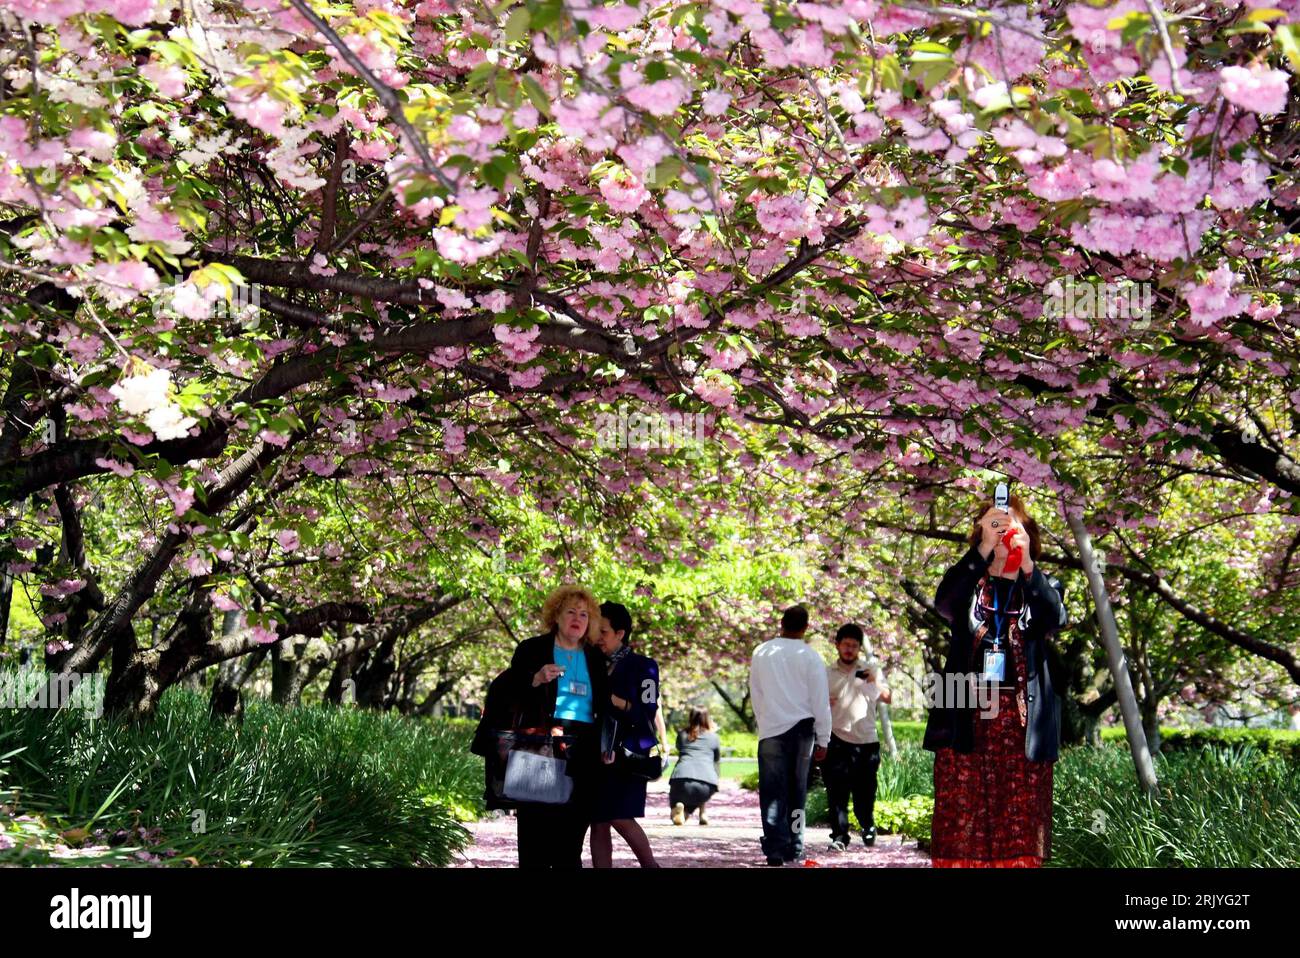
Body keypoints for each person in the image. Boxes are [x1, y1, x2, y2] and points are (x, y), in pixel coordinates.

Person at [925, 492, 1066, 868]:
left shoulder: (1042, 585)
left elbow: (1053, 619)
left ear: (1028, 535)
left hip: (1020, 728)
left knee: (1019, 825)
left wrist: (1029, 569)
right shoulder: (967, 584)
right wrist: (982, 549)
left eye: (1011, 526)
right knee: (963, 821)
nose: (1003, 534)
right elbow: (944, 603)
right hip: (966, 720)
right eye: (994, 527)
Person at [505, 584, 609, 869]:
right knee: (534, 835)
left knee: (571, 836)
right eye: (571, 612)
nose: (577, 618)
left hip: (584, 746)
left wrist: (608, 744)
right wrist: (535, 679)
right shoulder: (532, 649)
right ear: (556, 616)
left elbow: (605, 707)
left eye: (584, 615)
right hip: (540, 743)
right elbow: (507, 692)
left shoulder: (595, 658)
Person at [748, 605, 831, 866]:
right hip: (802, 731)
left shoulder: (762, 652)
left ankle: (774, 846)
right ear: (806, 627)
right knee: (797, 791)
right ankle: (794, 845)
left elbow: (756, 693)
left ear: (781, 623)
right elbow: (820, 701)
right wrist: (824, 738)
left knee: (772, 791)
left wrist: (765, 721)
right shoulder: (811, 657)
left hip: (771, 729)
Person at [590, 601, 661, 868]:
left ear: (620, 634)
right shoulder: (589, 662)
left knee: (619, 815)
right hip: (594, 750)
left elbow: (648, 710)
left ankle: (650, 865)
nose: (597, 638)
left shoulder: (645, 667)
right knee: (597, 819)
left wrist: (616, 701)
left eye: (604, 632)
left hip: (626, 752)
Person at [824, 623, 891, 851]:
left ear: (859, 648)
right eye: (846, 645)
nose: (849, 649)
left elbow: (887, 698)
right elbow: (813, 704)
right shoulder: (826, 673)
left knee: (865, 792)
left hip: (866, 741)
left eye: (854, 645)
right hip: (837, 739)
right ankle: (840, 836)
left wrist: (874, 681)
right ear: (838, 646)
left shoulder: (867, 670)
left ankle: (867, 824)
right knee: (837, 792)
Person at [669, 706, 721, 825]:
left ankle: (679, 809)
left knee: (678, 801)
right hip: (707, 783)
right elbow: (716, 760)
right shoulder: (714, 737)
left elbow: (679, 747)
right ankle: (702, 811)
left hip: (681, 780)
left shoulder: (682, 734)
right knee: (700, 793)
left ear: (691, 717)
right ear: (707, 719)